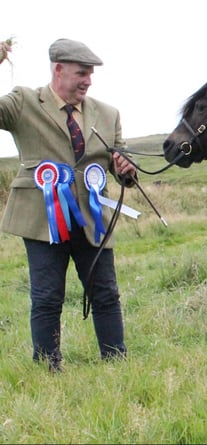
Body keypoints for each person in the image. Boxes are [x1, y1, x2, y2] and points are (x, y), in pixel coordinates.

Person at [0, 38, 137, 372]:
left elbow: (122, 167)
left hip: (93, 220)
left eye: (90, 74)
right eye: (81, 73)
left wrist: (125, 170)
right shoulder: (23, 102)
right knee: (47, 297)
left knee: (106, 293)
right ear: (58, 69)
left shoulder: (108, 113)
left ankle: (116, 364)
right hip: (40, 219)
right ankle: (48, 368)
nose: (88, 80)